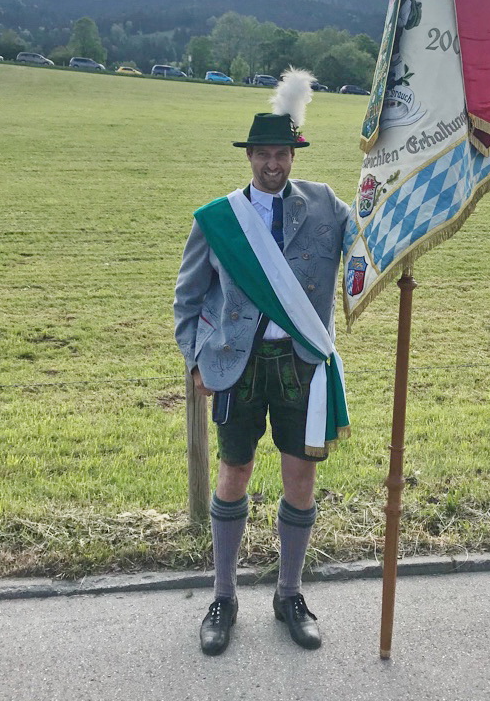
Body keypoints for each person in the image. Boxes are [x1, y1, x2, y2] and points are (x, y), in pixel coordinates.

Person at [174, 69, 351, 656]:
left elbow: (366, 240)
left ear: (293, 156)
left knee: (301, 479)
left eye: (282, 154)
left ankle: (289, 594)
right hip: (237, 365)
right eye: (263, 154)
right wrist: (194, 359)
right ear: (249, 156)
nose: (272, 163)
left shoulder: (325, 205)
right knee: (235, 473)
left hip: (300, 365)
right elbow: (188, 297)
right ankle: (223, 596)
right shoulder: (216, 219)